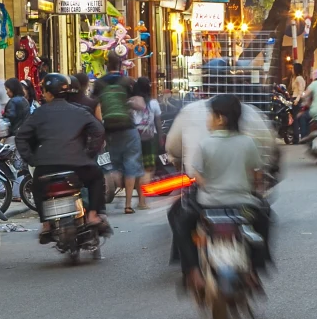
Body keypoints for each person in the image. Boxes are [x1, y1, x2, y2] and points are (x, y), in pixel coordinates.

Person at [168, 94, 272, 289]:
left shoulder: (206, 144)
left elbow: (197, 174)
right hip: (243, 204)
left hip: (208, 204)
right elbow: (256, 175)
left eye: (210, 115)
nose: (208, 119)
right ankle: (254, 270)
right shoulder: (248, 143)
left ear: (220, 119)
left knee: (179, 218)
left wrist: (208, 185)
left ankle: (192, 271)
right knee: (264, 217)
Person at [14, 73, 108, 231]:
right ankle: (92, 214)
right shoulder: (81, 111)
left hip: (46, 167)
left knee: (37, 187)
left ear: (49, 93)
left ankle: (45, 224)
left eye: (44, 91)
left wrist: (31, 158)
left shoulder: (39, 113)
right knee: (97, 177)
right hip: (78, 164)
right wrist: (90, 153)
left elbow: (21, 137)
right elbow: (99, 131)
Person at [93, 53, 144, 214]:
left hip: (109, 129)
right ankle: (128, 205)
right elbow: (140, 104)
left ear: (106, 65)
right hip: (128, 128)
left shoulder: (99, 84)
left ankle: (116, 177)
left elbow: (94, 105)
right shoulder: (127, 82)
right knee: (131, 164)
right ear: (121, 65)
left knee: (114, 163)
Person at [130, 76, 161, 189]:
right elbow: (158, 122)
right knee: (149, 164)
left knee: (136, 162)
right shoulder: (153, 103)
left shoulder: (131, 101)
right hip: (150, 137)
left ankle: (137, 186)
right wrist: (161, 138)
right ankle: (144, 188)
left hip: (133, 136)